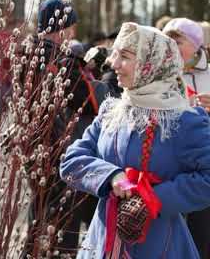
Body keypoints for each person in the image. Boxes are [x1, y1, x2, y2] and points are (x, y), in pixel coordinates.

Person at [60, 22, 210, 259]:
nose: (113, 63)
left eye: (126, 56)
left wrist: (154, 198)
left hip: (160, 246)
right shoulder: (112, 110)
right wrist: (111, 176)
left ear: (152, 64)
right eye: (115, 54)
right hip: (102, 243)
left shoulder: (184, 120)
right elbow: (71, 162)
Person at [21, 0, 109, 257]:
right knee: (63, 218)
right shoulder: (61, 60)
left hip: (31, 145)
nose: (74, 33)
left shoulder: (27, 52)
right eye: (72, 27)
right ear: (64, 27)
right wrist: (99, 78)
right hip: (58, 147)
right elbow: (88, 100)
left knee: (38, 212)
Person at [162, 17, 210, 259]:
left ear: (195, 44)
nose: (171, 46)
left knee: (202, 231)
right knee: (173, 231)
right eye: (168, 40)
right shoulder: (161, 74)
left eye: (177, 41)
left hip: (204, 163)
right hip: (172, 161)